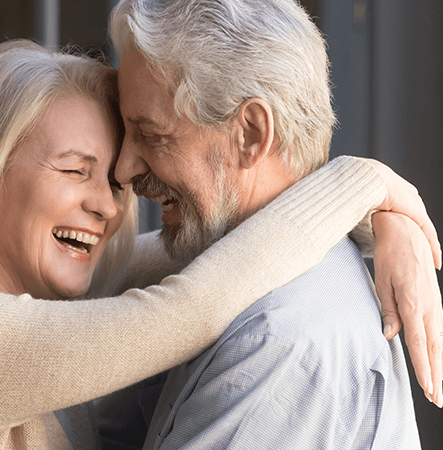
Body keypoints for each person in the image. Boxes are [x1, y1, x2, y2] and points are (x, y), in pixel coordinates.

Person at [0, 39, 438, 450]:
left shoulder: (47, 306)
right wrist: (365, 183)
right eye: (74, 171)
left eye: (113, 181)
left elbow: (228, 244)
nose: (110, 206)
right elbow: (191, 305)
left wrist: (387, 222)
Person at [94, 0, 443, 448]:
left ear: (252, 134)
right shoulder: (239, 279)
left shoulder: (275, 340)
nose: (123, 170)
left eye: (153, 135)